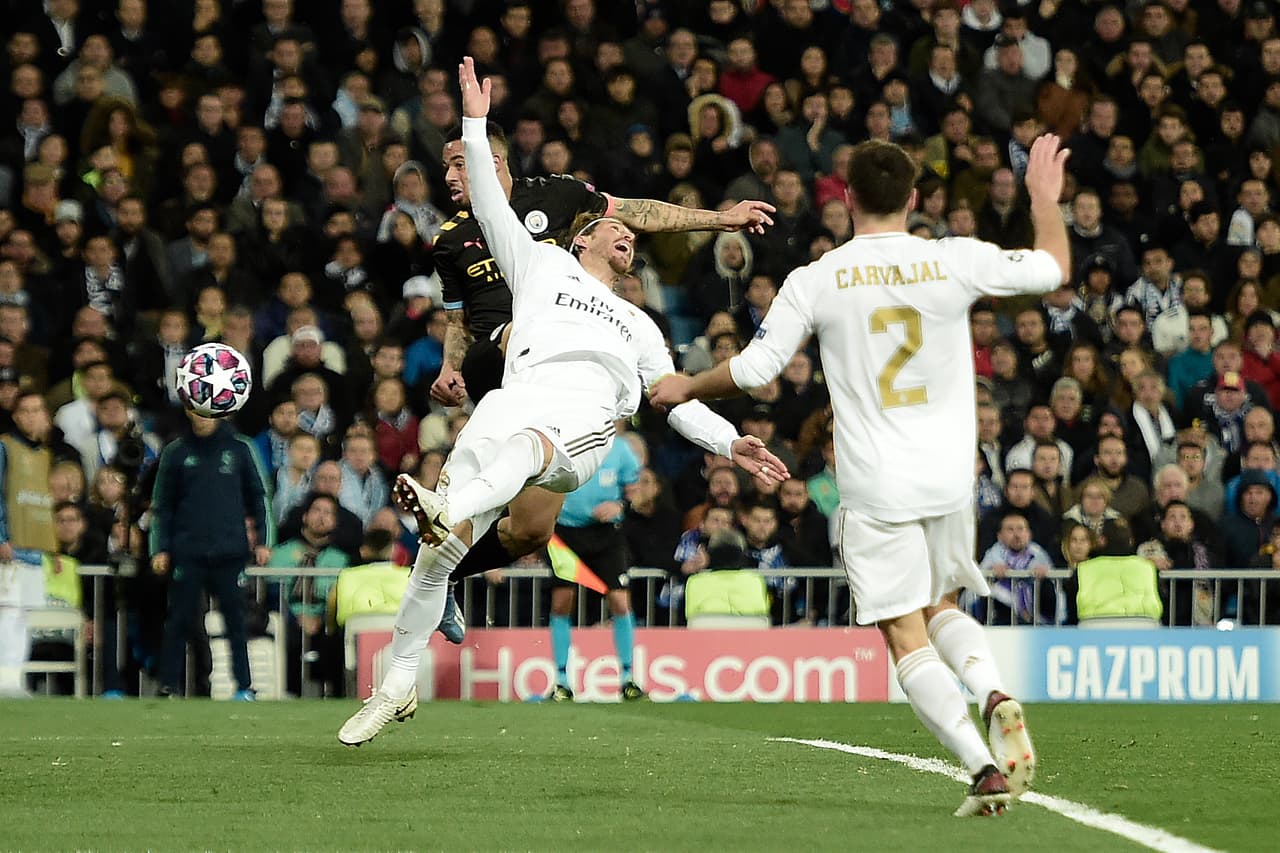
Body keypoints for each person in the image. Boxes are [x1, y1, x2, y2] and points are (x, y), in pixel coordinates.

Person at [337, 59, 789, 746]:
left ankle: (449, 509)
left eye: (629, 238)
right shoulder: (540, 263)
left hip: (578, 424)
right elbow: (488, 197)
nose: (626, 236)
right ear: (581, 240)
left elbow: (674, 399)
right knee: (439, 551)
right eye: (616, 233)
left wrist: (731, 442)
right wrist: (474, 121)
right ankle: (396, 683)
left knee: (520, 461)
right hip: (514, 397)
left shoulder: (640, 327)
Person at [650, 133, 1073, 814]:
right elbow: (1053, 268)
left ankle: (981, 764)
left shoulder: (817, 277)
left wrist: (688, 384)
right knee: (942, 605)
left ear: (846, 197)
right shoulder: (950, 259)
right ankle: (993, 689)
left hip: (876, 481)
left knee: (904, 629)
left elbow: (757, 373)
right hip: (949, 475)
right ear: (913, 198)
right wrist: (1043, 199)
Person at [150, 409, 274, 700]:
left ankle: (243, 686)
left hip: (229, 553)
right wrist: (161, 548)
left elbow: (259, 495)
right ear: (188, 411)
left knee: (236, 623)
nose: (203, 416)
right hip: (188, 552)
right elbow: (162, 504)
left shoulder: (240, 448)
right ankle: (168, 684)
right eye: (197, 409)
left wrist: (264, 541)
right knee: (178, 621)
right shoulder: (176, 452)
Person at [545, 424, 643, 702]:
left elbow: (635, 489)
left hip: (606, 534)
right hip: (565, 533)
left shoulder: (621, 449)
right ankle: (562, 681)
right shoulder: (563, 443)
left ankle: (628, 678)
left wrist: (620, 506)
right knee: (562, 601)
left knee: (620, 601)